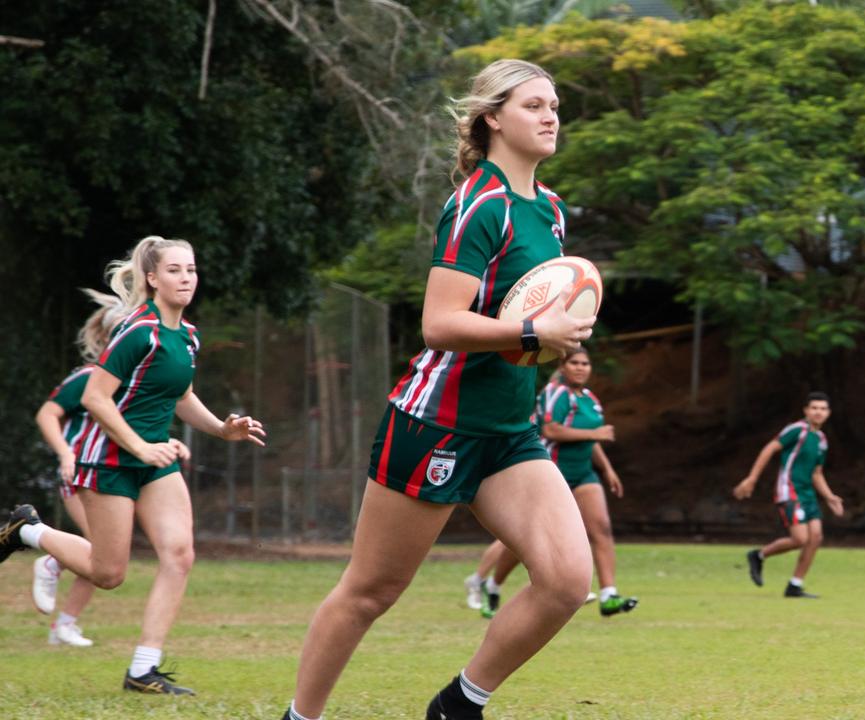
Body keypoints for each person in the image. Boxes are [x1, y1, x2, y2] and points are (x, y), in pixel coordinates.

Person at [280, 58, 595, 720]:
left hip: (509, 428)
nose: (550, 116)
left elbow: (525, 323)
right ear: (492, 119)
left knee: (567, 580)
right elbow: (439, 325)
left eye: (555, 106)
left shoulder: (552, 210)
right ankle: (298, 718)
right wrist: (540, 332)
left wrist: (556, 331)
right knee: (372, 590)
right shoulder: (478, 205)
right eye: (534, 105)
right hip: (436, 423)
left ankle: (459, 705)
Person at [0, 235, 267, 695]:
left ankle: (143, 670)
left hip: (153, 461)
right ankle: (26, 530)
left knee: (179, 554)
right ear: (152, 278)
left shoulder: (187, 336)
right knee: (109, 574)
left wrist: (222, 428)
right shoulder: (139, 331)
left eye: (191, 270)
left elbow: (180, 396)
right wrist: (141, 447)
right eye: (174, 270)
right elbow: (94, 398)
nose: (186, 278)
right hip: (108, 458)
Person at [465, 349, 636, 619]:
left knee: (601, 528)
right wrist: (596, 433)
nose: (581, 368)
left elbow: (590, 441)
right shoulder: (555, 393)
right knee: (522, 537)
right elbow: (551, 430)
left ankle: (609, 595)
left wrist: (607, 469)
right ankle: (493, 585)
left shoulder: (590, 399)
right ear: (563, 366)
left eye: (585, 363)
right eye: (575, 363)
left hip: (583, 474)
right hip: (554, 472)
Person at [28, 304, 118, 647]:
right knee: (101, 551)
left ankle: (64, 625)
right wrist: (67, 453)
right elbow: (47, 414)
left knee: (105, 555)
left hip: (111, 476)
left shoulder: (129, 385)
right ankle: (50, 561)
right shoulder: (87, 378)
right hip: (80, 475)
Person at [733, 391, 845, 598]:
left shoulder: (821, 440)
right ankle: (759, 555)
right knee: (800, 538)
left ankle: (795, 585)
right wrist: (752, 478)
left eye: (822, 409)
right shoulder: (798, 430)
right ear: (806, 410)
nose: (818, 412)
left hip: (807, 493)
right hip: (789, 490)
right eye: (814, 408)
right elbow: (769, 449)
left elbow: (816, 473)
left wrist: (829, 496)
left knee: (816, 537)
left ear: (828, 412)